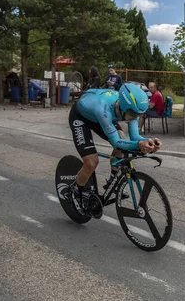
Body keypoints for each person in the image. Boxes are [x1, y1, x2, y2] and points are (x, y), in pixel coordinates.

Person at [66, 83, 161, 217]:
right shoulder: (103, 109)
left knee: (123, 138)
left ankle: (113, 182)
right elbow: (116, 142)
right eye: (134, 114)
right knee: (91, 162)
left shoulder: (132, 109)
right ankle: (74, 190)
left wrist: (148, 142)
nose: (136, 118)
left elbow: (134, 137)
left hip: (101, 118)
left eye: (140, 114)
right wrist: (139, 145)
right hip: (81, 118)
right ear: (123, 107)